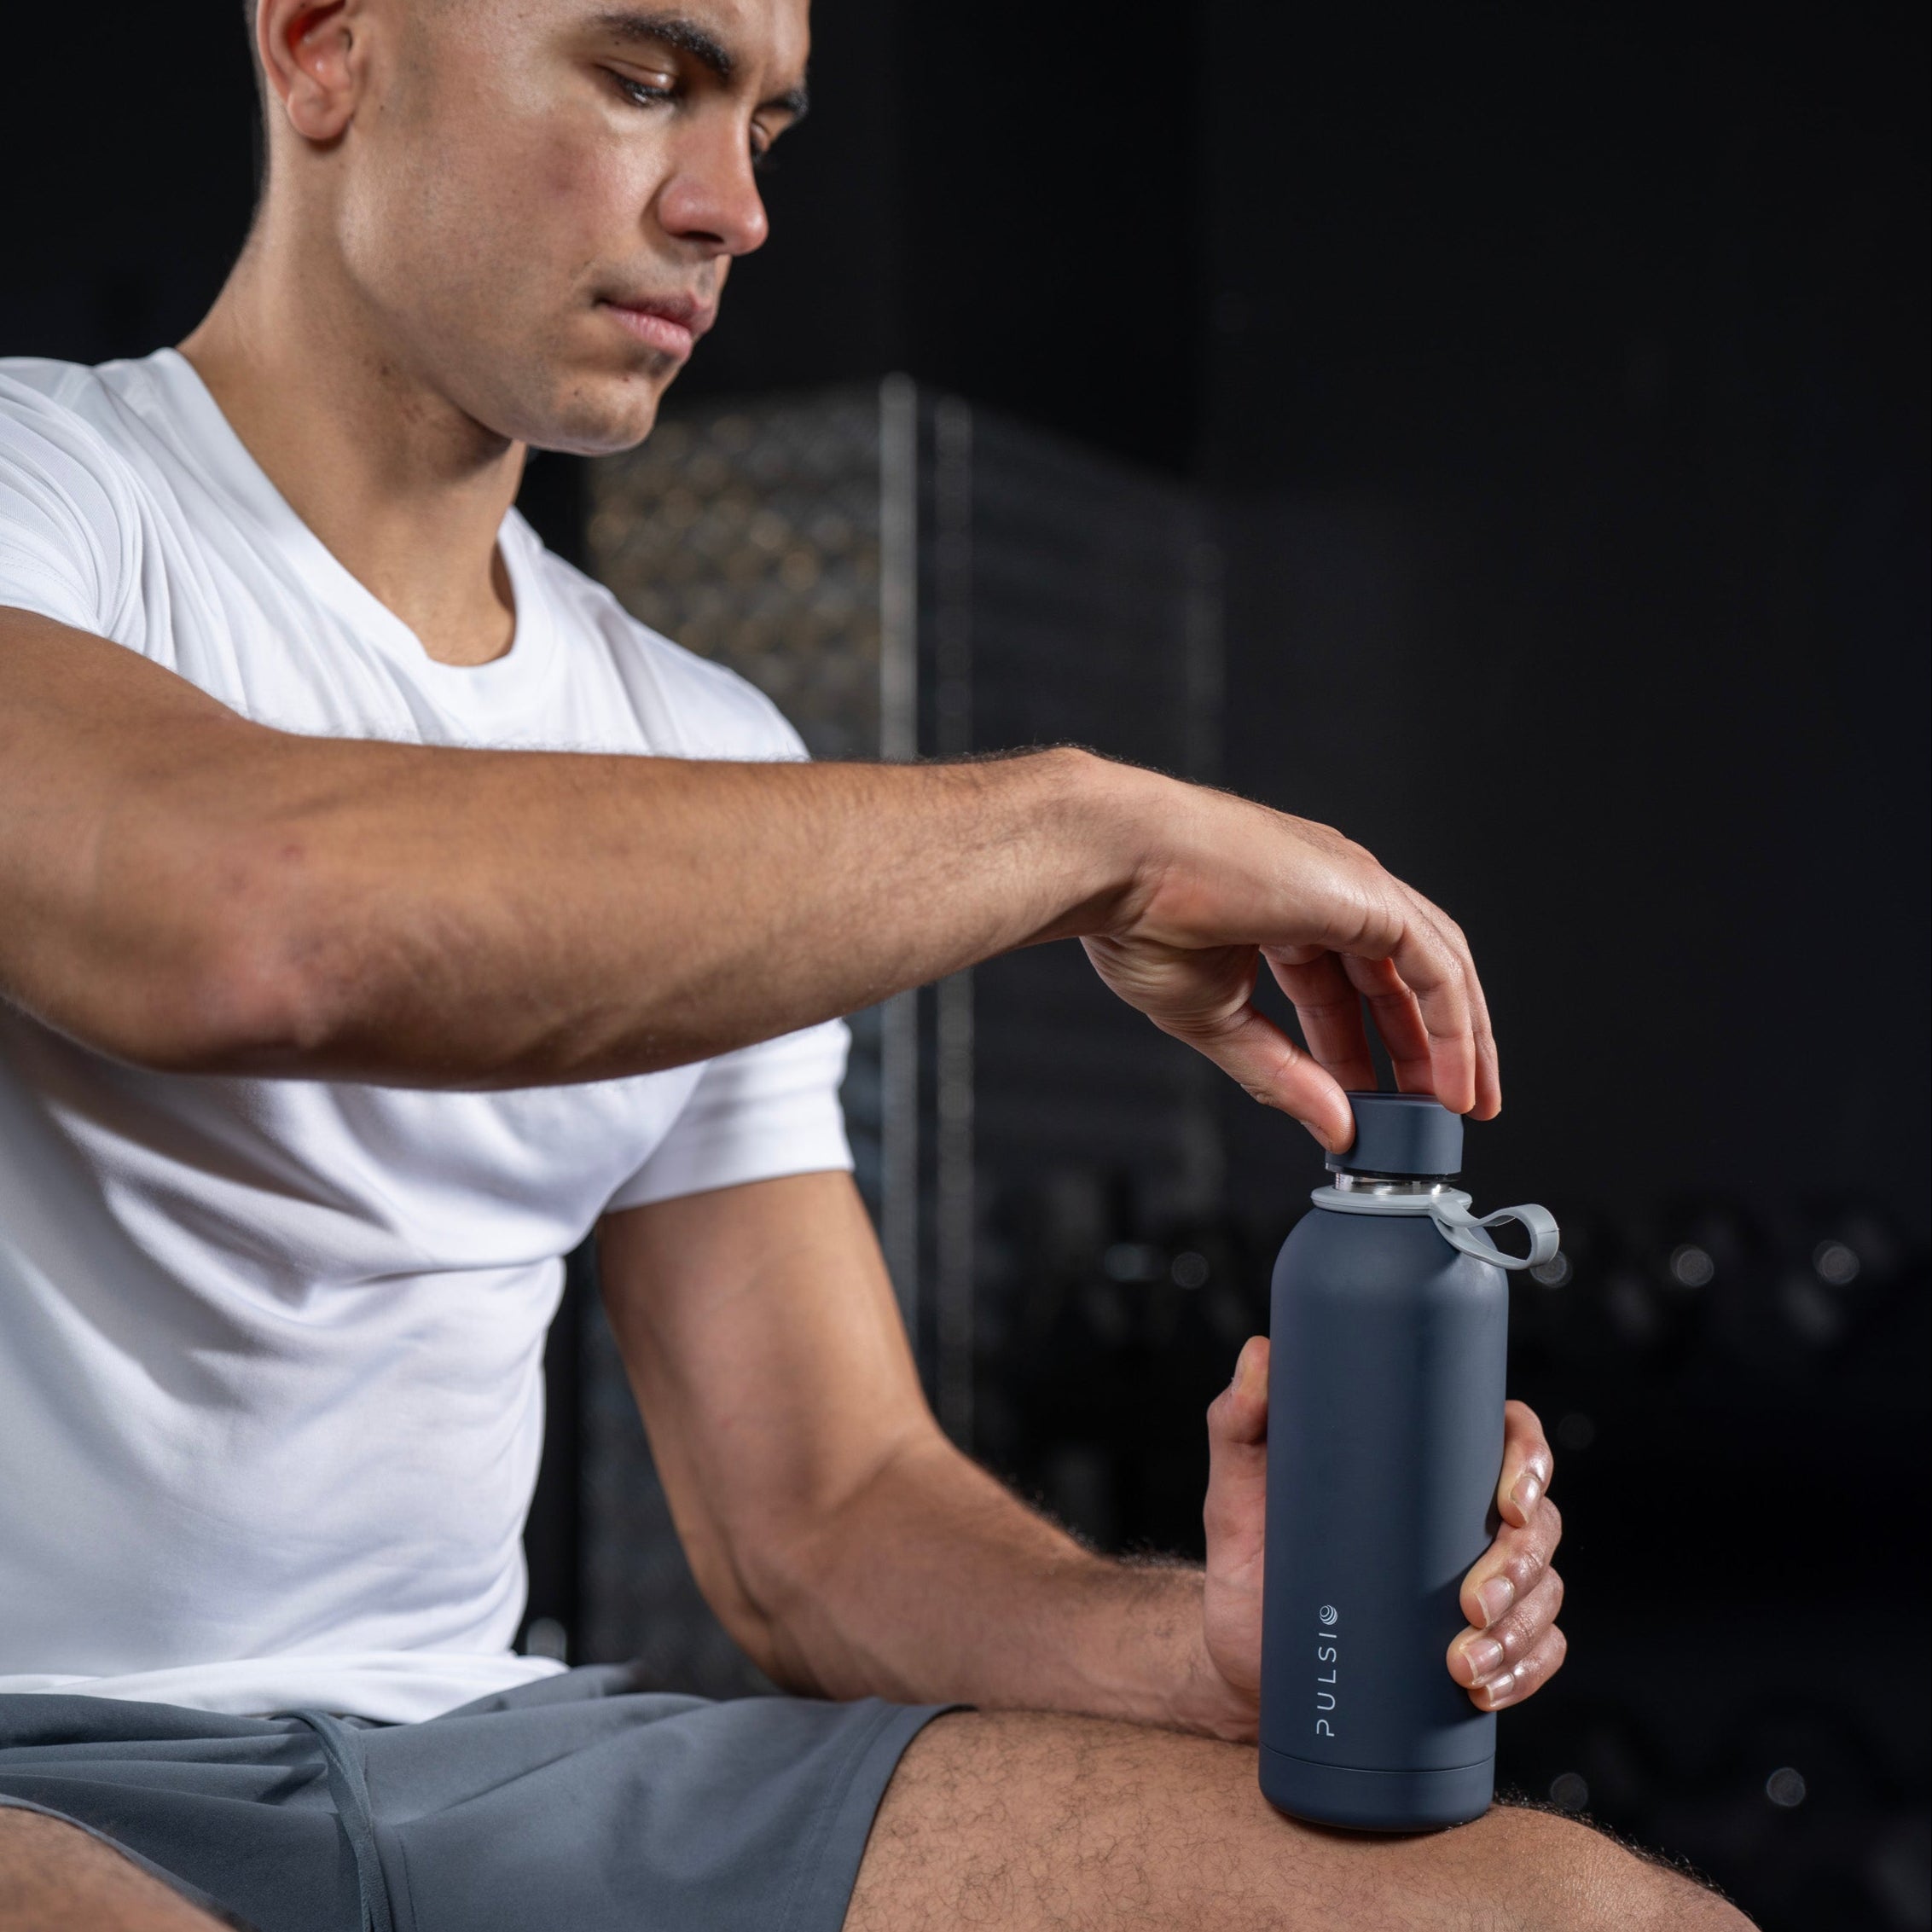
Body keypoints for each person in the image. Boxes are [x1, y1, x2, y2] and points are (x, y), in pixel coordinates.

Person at [0, 3, 1749, 1927]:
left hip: (487, 1754)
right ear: (328, 45)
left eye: (768, 119)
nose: (734, 205)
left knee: (1601, 1917)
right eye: (644, 76)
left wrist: (1198, 1651)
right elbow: (242, 913)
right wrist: (1089, 831)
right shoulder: (45, 500)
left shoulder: (699, 746)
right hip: (38, 1757)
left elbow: (814, 1516)